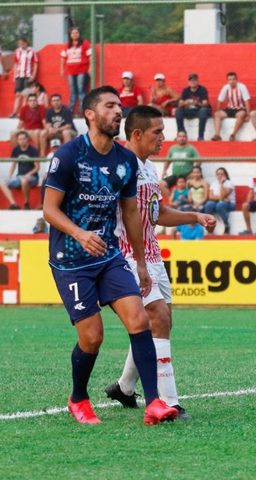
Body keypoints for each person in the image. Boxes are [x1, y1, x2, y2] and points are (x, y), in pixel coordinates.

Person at [42, 85, 178, 424]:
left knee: (140, 320)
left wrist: (142, 264)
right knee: (92, 338)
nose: (117, 111)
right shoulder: (69, 155)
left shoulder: (125, 160)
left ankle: (155, 404)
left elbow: (132, 213)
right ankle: (78, 398)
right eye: (109, 106)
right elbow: (49, 209)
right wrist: (79, 233)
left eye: (119, 106)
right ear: (90, 114)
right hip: (71, 261)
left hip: (110, 257)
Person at [105, 105, 216, 419]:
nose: (163, 138)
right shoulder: (121, 166)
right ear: (137, 134)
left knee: (157, 323)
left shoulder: (149, 167)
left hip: (151, 254)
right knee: (159, 318)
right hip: (128, 256)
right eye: (158, 132)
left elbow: (157, 214)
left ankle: (125, 387)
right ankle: (169, 402)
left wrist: (194, 215)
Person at [0, 131, 39, 210]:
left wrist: (28, 175)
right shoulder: (16, 149)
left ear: (27, 139)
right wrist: (9, 176)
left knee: (24, 180)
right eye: (20, 139)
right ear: (17, 140)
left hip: (33, 177)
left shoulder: (33, 150)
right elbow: (14, 164)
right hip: (19, 177)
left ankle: (26, 203)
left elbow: (37, 167)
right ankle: (13, 204)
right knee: (2, 181)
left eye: (23, 139)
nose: (22, 141)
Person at [160, 130, 200, 200]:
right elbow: (167, 161)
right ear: (176, 138)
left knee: (193, 185)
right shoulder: (172, 148)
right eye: (180, 136)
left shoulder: (191, 149)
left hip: (187, 176)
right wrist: (164, 171)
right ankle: (172, 201)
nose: (182, 138)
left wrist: (193, 173)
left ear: (187, 138)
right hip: (175, 175)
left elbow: (199, 161)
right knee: (161, 184)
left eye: (184, 136)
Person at [60, 27, 91, 115]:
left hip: (82, 70)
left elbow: (90, 56)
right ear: (70, 35)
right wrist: (62, 69)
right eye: (73, 33)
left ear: (79, 34)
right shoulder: (67, 45)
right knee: (73, 91)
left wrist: (90, 68)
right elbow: (63, 58)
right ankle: (70, 111)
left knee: (81, 90)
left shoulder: (85, 43)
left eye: (76, 33)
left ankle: (82, 111)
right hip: (70, 71)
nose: (75, 34)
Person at [212, 72, 251, 141]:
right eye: (230, 79)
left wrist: (248, 114)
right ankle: (217, 135)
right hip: (230, 109)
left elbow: (247, 101)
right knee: (217, 114)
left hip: (240, 108)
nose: (232, 81)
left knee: (241, 114)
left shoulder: (242, 87)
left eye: (233, 79)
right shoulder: (225, 87)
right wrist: (217, 111)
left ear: (236, 80)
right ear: (227, 81)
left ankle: (233, 134)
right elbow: (220, 100)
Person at [175, 73, 211, 141]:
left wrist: (196, 102)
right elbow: (179, 104)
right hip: (189, 110)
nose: (193, 82)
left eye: (194, 80)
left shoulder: (202, 89)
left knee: (203, 111)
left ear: (197, 81)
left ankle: (201, 136)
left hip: (199, 110)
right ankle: (182, 134)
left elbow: (205, 104)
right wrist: (186, 102)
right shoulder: (186, 90)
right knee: (178, 111)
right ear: (188, 82)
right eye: (191, 80)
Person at [9, 37, 38, 118]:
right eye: (19, 43)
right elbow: (15, 63)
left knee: (26, 95)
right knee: (18, 95)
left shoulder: (31, 51)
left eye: (22, 43)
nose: (21, 45)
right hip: (19, 76)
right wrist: (14, 75)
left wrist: (33, 75)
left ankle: (22, 113)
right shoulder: (17, 51)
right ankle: (14, 113)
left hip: (28, 76)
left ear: (26, 43)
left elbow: (36, 63)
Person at [204, 167, 236, 234]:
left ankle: (226, 225)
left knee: (220, 205)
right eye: (218, 174)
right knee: (208, 205)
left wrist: (221, 184)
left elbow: (223, 194)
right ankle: (210, 226)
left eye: (222, 174)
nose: (220, 176)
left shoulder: (230, 183)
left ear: (226, 175)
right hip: (218, 202)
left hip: (230, 204)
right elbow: (210, 196)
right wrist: (221, 198)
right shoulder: (214, 183)